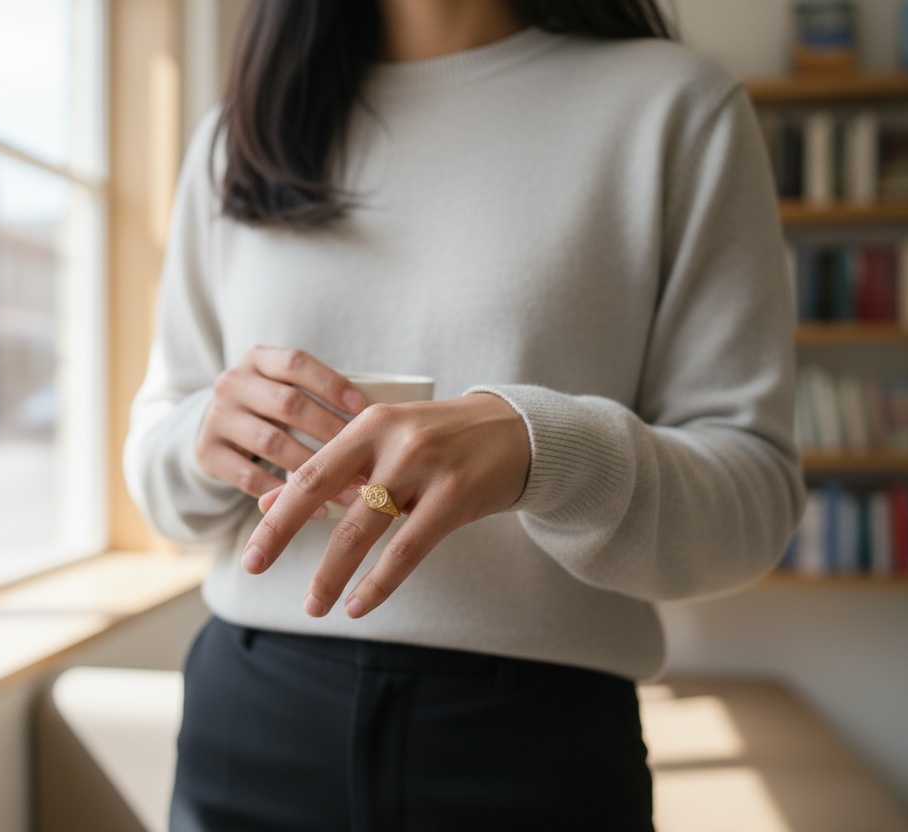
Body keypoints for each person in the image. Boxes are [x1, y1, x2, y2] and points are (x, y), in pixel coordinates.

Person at [124, 0, 805, 828]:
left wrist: (543, 450)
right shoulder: (239, 133)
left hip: (533, 746)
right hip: (250, 723)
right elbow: (160, 443)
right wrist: (205, 434)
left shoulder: (675, 109)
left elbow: (755, 496)